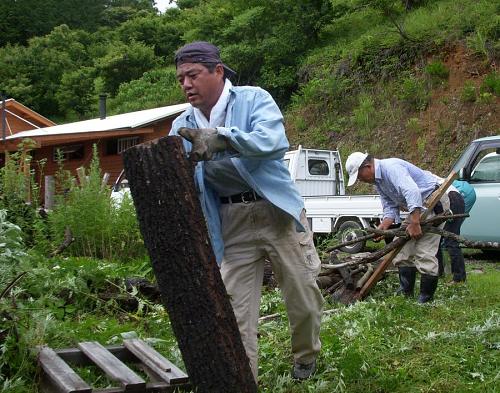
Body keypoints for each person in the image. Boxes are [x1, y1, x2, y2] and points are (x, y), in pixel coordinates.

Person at [169, 41, 324, 381]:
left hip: (277, 212)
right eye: (180, 78)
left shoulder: (254, 99)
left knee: (303, 296)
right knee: (234, 312)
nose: (186, 85)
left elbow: (272, 142)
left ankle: (306, 357)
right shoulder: (181, 125)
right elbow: (176, 174)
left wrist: (221, 138)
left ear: (218, 71)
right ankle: (244, 381)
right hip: (229, 221)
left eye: (193, 75)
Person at [345, 152, 451, 303]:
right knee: (401, 249)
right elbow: (389, 207)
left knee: (424, 250)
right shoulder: (379, 182)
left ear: (367, 166)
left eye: (360, 176)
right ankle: (406, 291)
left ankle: (426, 299)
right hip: (419, 208)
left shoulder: (391, 168)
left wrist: (414, 223)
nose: (361, 180)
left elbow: (412, 191)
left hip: (433, 202)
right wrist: (383, 227)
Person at [437, 180, 476, 283]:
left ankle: (458, 278)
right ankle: (439, 273)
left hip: (461, 192)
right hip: (462, 190)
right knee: (440, 236)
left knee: (450, 236)